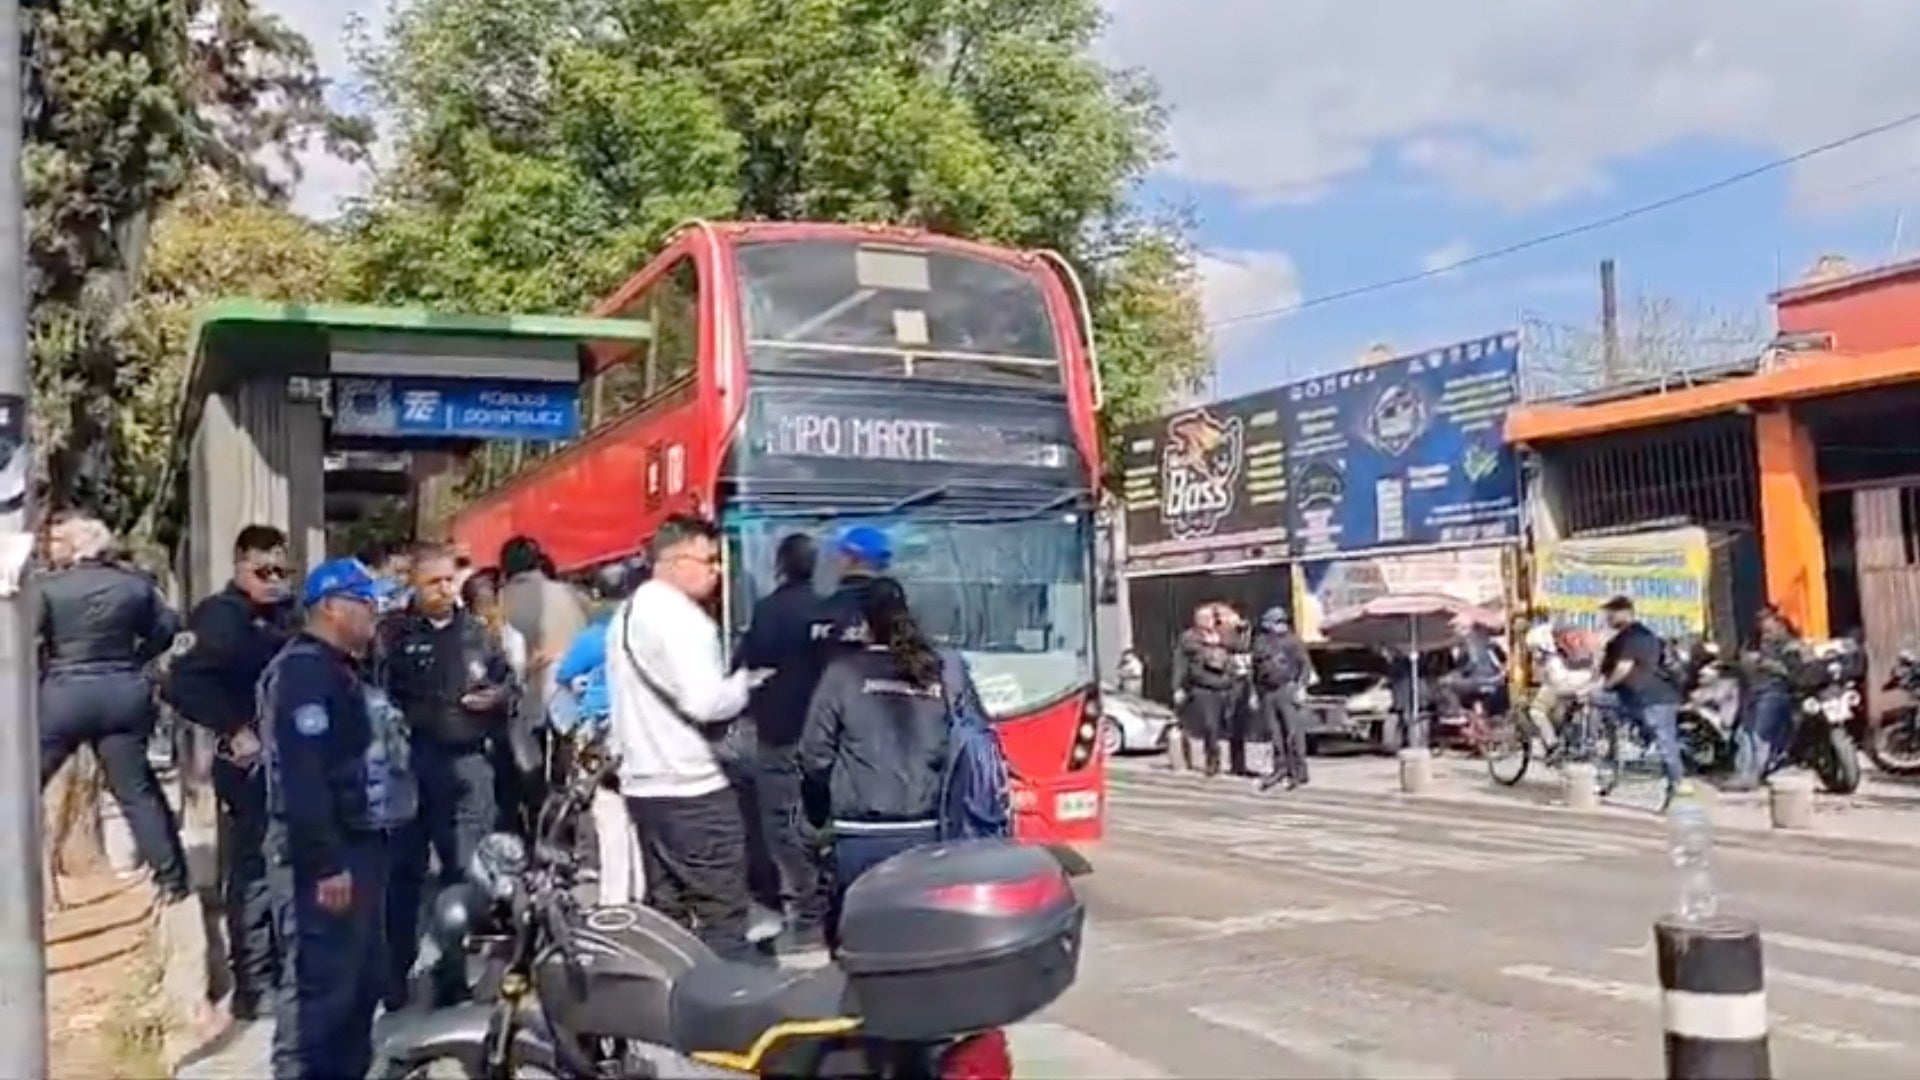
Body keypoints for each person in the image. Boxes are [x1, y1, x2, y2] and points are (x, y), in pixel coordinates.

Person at [262, 558, 417, 1080]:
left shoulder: (342, 670)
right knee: (320, 1000)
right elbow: (304, 776)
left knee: (358, 991)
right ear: (331, 606)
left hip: (360, 848)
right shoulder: (304, 672)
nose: (375, 615)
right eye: (366, 603)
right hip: (325, 859)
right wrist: (326, 863)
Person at [609, 514, 768, 961]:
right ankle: (728, 1012)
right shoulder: (685, 620)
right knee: (723, 913)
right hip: (693, 788)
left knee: (669, 917)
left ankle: (672, 1008)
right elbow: (706, 703)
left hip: (644, 786)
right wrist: (744, 683)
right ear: (675, 561)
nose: (717, 570)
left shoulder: (627, 613)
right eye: (709, 560)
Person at [164, 524, 298, 1019]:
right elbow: (180, 684)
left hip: (296, 761)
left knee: (291, 870)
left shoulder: (287, 614)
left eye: (281, 570)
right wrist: (233, 726)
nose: (273, 579)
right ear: (240, 565)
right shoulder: (219, 618)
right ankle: (254, 983)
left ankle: (285, 973)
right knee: (256, 872)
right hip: (249, 767)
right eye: (263, 570)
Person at [377, 544, 515, 1010]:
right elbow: (378, 695)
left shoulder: (477, 633)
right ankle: (394, 978)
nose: (444, 589)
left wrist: (497, 697)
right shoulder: (392, 635)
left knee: (466, 874)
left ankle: (454, 978)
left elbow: (508, 684)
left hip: (468, 765)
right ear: (414, 584)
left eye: (449, 581)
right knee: (403, 877)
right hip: (411, 765)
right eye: (433, 581)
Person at [37, 514, 189, 902]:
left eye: (57, 541)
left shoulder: (48, 587)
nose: (50, 547)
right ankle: (171, 879)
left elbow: (29, 638)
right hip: (124, 692)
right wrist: (137, 659)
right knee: (136, 791)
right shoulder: (135, 585)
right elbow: (167, 627)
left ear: (75, 546)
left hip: (63, 695)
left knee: (20, 785)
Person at [797, 577, 956, 940]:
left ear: (863, 623)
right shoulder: (934, 673)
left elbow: (814, 756)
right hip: (925, 831)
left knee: (856, 937)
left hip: (860, 836)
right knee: (918, 938)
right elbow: (954, 745)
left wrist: (819, 813)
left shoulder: (842, 673)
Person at [735, 532, 833, 950]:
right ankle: (834, 906)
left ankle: (806, 915)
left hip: (779, 736)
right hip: (829, 739)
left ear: (780, 566)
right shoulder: (837, 610)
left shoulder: (769, 610)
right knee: (824, 824)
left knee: (783, 828)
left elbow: (746, 664)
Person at [551, 558, 649, 906]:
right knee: (639, 814)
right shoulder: (643, 629)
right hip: (642, 729)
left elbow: (563, 676)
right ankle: (641, 892)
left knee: (608, 815)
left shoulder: (593, 637)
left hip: (600, 735)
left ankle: (614, 900)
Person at [498, 537, 589, 829]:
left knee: (529, 769)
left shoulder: (503, 600)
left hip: (531, 700)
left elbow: (512, 661)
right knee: (568, 766)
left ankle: (538, 823)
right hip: (573, 695)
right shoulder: (571, 594)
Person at [1598, 595, 1687, 805]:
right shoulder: (1632, 636)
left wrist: (1606, 684)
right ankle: (1613, 747)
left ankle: (1678, 790)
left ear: (1626, 613)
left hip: (1652, 698)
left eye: (1612, 612)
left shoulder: (1633, 637)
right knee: (1597, 703)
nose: (1608, 617)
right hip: (1639, 697)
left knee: (1667, 746)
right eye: (1608, 612)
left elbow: (1623, 668)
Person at [1730, 605, 1806, 791]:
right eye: (1761, 622)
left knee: (1760, 735)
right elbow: (1741, 659)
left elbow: (1792, 668)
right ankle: (1742, 774)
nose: (1765, 628)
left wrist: (1766, 664)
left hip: (1773, 691)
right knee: (1744, 735)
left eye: (1768, 623)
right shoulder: (1753, 641)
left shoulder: (1787, 642)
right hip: (1752, 691)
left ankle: (1754, 776)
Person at [1250, 608, 1312, 792]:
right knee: (1275, 733)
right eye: (1274, 623)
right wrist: (1254, 693)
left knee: (1293, 733)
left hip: (1287, 689)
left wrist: (1301, 687)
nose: (1278, 626)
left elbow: (1305, 666)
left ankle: (1299, 772)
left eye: (1280, 622)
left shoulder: (1292, 641)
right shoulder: (1261, 643)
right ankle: (1280, 769)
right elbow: (1255, 670)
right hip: (1267, 692)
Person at [1172, 605, 1234, 776]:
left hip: (1223, 687)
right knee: (1209, 726)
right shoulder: (1190, 638)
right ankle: (1212, 761)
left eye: (1211, 618)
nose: (1209, 621)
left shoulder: (1222, 635)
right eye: (1205, 618)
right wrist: (1178, 687)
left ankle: (1224, 760)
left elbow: (1238, 645)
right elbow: (1180, 663)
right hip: (1202, 688)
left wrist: (1223, 636)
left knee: (1223, 726)